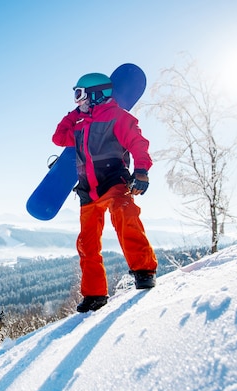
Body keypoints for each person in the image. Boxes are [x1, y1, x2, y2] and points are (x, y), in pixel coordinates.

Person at [52, 72, 158, 313]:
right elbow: (58, 138)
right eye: (75, 96)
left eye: (80, 95)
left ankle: (143, 271)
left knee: (126, 217)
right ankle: (95, 294)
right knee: (87, 244)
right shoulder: (79, 123)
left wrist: (141, 170)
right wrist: (75, 113)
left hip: (113, 181)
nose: (77, 101)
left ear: (97, 95)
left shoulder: (118, 118)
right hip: (87, 189)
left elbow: (138, 143)